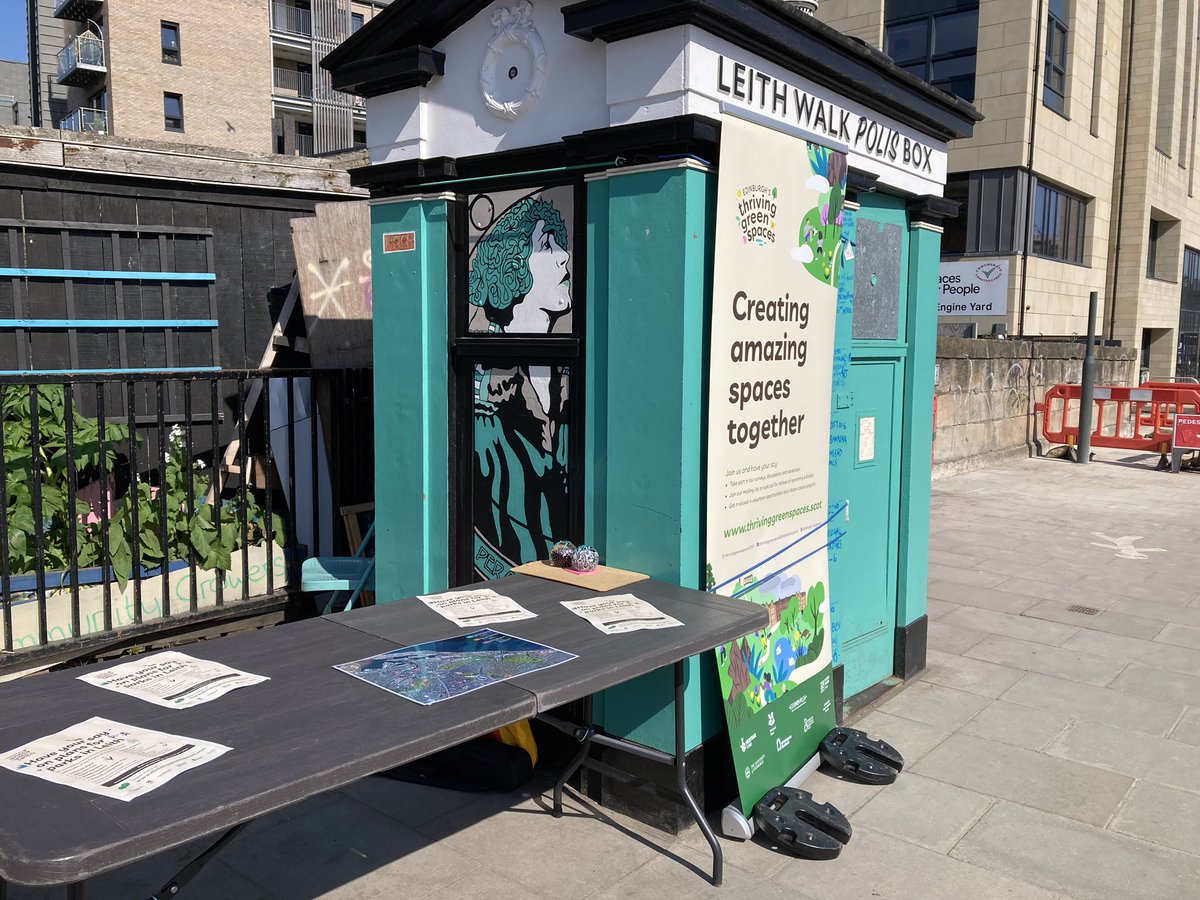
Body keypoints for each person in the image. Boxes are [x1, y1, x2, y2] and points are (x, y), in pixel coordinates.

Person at [468, 195, 572, 579]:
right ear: (513, 267)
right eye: (547, 246)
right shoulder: (481, 392)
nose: (564, 257)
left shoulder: (568, 376)